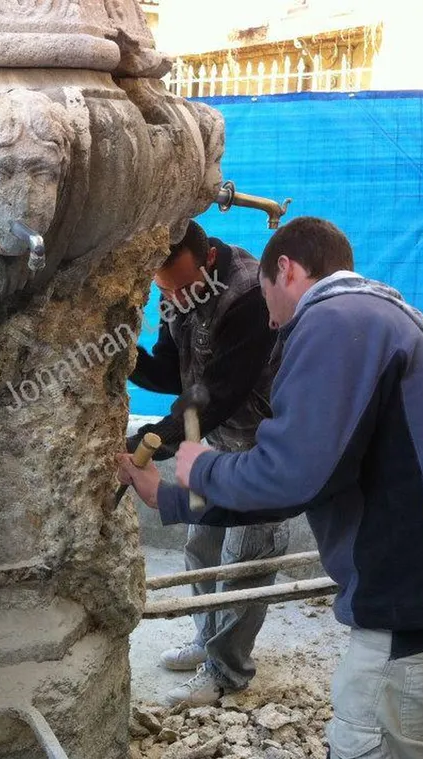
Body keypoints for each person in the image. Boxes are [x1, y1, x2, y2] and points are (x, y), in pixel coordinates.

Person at [117, 217, 423, 759]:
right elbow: (293, 487)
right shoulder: (371, 322)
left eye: (269, 298)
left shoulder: (336, 318)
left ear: (286, 268)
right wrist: (169, 498)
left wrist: (197, 465)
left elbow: (284, 472)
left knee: (362, 749)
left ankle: (226, 664)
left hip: (421, 609)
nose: (272, 322)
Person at [127, 220, 287, 706]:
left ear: (209, 261)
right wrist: (121, 358)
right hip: (216, 439)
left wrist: (149, 442)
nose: (172, 297)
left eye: (181, 286)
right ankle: (207, 638)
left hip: (263, 445)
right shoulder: (177, 288)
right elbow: (171, 373)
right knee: (202, 543)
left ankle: (227, 672)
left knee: (247, 560)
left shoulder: (248, 296)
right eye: (164, 290)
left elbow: (217, 393)